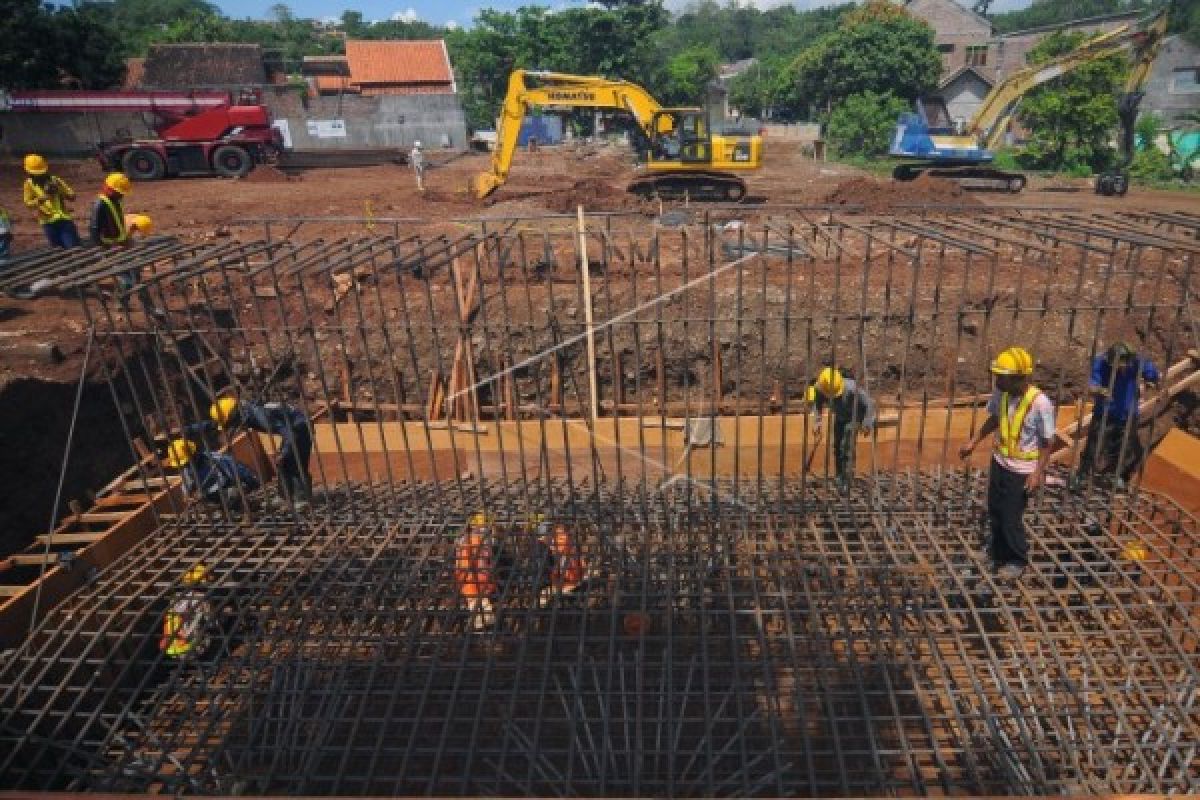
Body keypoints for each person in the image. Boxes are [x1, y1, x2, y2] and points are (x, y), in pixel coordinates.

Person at [959, 346, 1056, 580]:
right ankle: (995, 551)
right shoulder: (1001, 393)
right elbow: (995, 419)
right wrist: (974, 441)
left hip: (1022, 471)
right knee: (994, 509)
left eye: (1003, 377)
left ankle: (1016, 559)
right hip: (1000, 462)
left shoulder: (1040, 404)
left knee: (1011, 516)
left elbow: (1048, 442)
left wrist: (1037, 473)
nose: (998, 381)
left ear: (1020, 378)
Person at [1071, 341, 1160, 490]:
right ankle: (1083, 475)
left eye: (1124, 365)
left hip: (1127, 414)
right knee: (1094, 446)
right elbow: (1092, 383)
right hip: (1105, 413)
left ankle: (1115, 476)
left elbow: (1152, 373)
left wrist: (1153, 379)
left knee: (1123, 447)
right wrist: (1098, 390)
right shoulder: (1100, 363)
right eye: (1118, 365)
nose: (1121, 368)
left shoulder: (1136, 361)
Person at [207, 395, 313, 507]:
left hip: (300, 429)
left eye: (230, 423)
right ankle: (284, 496)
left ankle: (302, 499)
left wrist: (284, 453)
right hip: (292, 430)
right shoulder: (248, 412)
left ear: (234, 415)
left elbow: (289, 433)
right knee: (283, 464)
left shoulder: (260, 416)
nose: (232, 426)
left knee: (295, 464)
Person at [806, 366, 876, 493]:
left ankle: (847, 480)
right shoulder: (820, 387)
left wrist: (867, 422)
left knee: (846, 447)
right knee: (837, 446)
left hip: (854, 417)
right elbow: (817, 404)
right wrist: (817, 422)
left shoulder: (851, 388)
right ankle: (840, 477)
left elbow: (869, 403)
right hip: (840, 416)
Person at [164, 437, 261, 507]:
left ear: (195, 454)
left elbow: (239, 470)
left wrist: (253, 483)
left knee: (233, 493)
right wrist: (187, 497)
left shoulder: (214, 459)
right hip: (210, 497)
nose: (186, 465)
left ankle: (240, 506)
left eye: (186, 462)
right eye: (184, 463)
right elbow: (186, 486)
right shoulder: (187, 469)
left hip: (228, 489)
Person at [21, 154, 80, 248]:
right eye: (36, 174)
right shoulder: (28, 184)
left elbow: (72, 196)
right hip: (47, 222)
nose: (40, 176)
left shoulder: (55, 180)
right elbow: (28, 204)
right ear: (29, 173)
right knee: (58, 251)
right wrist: (41, 199)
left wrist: (59, 190)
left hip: (64, 219)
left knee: (72, 247)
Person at [160, 564, 216, 660]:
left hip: (170, 652)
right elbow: (211, 623)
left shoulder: (175, 598)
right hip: (190, 651)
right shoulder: (202, 599)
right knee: (209, 632)